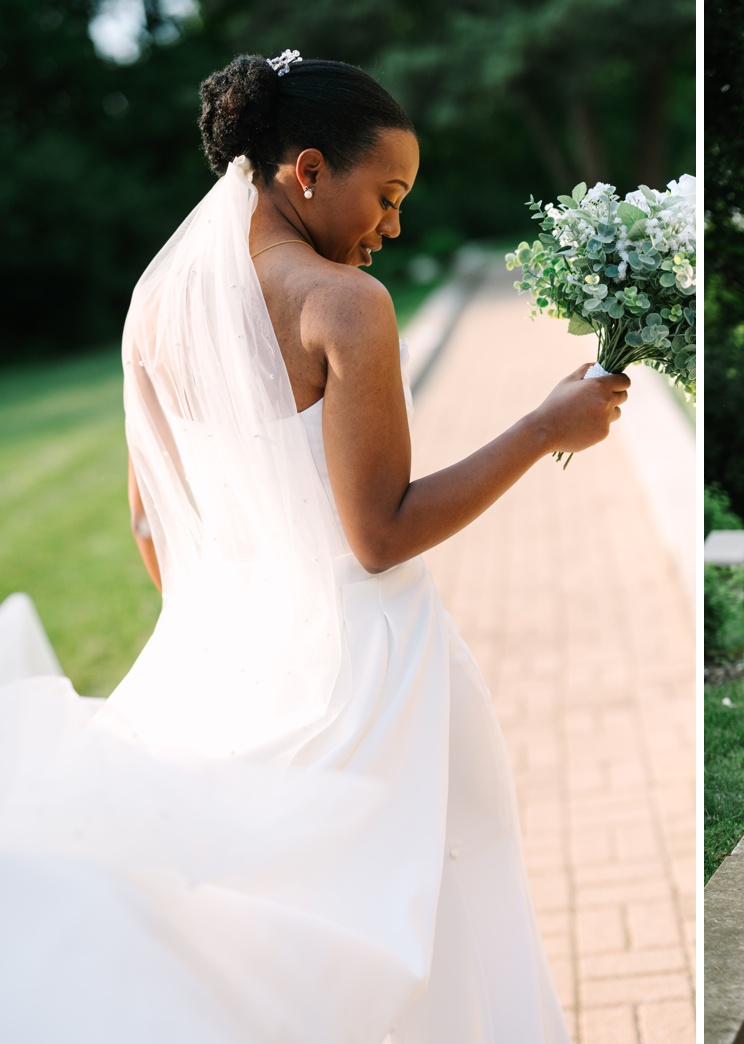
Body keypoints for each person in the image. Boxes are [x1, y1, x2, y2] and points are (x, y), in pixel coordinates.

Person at [0, 52, 627, 1043]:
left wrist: (235, 624)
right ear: (306, 171)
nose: (393, 225)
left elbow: (148, 523)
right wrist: (544, 426)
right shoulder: (343, 304)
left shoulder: (155, 307)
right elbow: (379, 536)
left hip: (218, 660)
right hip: (373, 674)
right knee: (441, 915)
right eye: (387, 196)